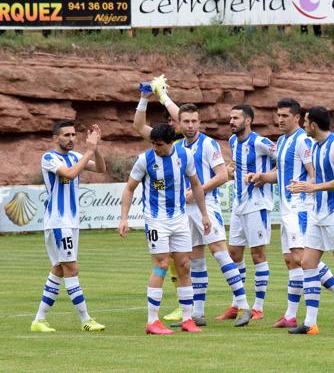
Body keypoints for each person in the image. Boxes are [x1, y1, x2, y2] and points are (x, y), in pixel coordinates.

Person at [247, 98, 334, 328]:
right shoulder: (281, 141)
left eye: (284, 116)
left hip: (301, 207)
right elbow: (280, 173)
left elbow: (313, 173)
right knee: (291, 261)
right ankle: (290, 315)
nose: (279, 120)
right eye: (278, 115)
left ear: (297, 118)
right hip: (287, 209)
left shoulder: (303, 141)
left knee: (302, 258)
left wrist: (307, 190)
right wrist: (261, 177)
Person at [165, 103, 251, 327]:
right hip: (186, 209)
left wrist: (198, 191)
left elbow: (222, 175)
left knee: (220, 253)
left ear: (199, 122)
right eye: (186, 121)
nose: (191, 125)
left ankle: (243, 305)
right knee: (195, 260)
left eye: (194, 121)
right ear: (179, 123)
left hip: (207, 205)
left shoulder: (208, 144)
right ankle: (198, 313)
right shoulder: (179, 147)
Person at [119, 124, 209, 335]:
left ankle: (188, 319)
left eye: (158, 145)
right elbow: (130, 188)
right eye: (152, 143)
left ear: (170, 143)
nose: (154, 148)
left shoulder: (185, 156)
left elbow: (196, 185)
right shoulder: (145, 159)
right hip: (156, 220)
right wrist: (124, 218)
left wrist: (204, 214)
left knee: (184, 266)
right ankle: (152, 321)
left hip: (179, 219)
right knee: (160, 264)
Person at [287, 106, 334, 335]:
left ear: (314, 125)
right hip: (318, 214)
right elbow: (320, 179)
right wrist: (303, 187)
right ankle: (310, 323)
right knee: (308, 263)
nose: (304, 126)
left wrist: (313, 187)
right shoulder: (315, 147)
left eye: (306, 122)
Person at [31, 121, 107, 333]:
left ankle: (39, 320)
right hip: (58, 222)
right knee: (71, 268)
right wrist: (89, 151)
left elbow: (101, 168)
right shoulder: (49, 158)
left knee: (58, 269)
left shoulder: (76, 156)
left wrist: (96, 147)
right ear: (56, 138)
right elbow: (70, 174)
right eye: (66, 135)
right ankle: (85, 319)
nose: (71, 138)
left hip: (70, 223)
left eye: (74, 135)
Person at [215, 104, 275, 322]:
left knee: (257, 254)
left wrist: (265, 176)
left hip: (258, 205)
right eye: (230, 118)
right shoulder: (232, 141)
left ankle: (258, 306)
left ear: (248, 120)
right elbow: (236, 164)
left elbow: (284, 159)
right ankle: (237, 304)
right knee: (234, 254)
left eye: (236, 118)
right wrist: (231, 171)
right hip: (239, 204)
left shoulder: (259, 142)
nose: (231, 121)